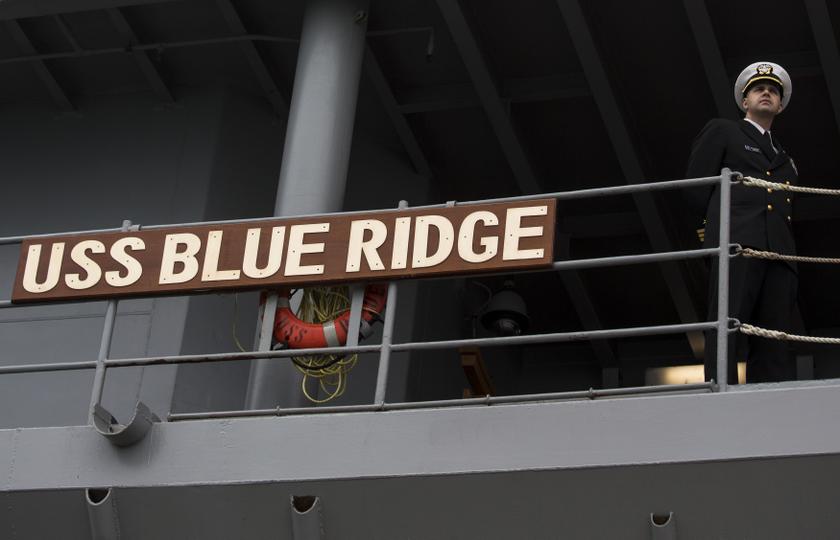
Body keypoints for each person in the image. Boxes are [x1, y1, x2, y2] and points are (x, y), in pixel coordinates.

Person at [685, 61, 798, 384]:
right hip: (736, 243)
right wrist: (714, 235)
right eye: (759, 89)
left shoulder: (785, 157)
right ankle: (722, 387)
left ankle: (769, 392)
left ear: (780, 105)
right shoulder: (724, 130)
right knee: (728, 322)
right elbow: (696, 188)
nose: (767, 93)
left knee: (773, 334)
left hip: (778, 251)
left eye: (773, 91)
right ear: (745, 102)